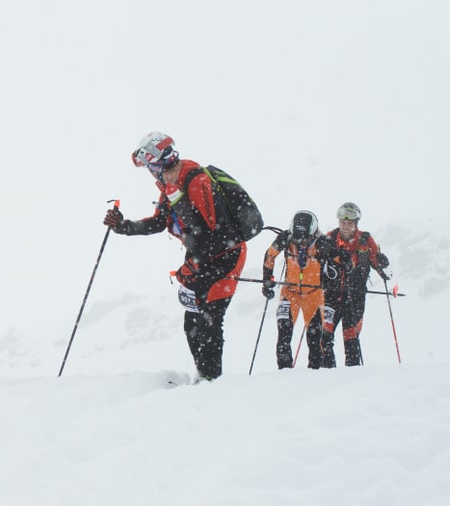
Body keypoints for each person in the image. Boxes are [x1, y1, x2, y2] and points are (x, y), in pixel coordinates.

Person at [103, 132, 248, 382]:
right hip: (200, 257)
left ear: (159, 163)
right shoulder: (170, 186)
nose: (150, 173)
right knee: (192, 322)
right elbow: (159, 222)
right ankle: (204, 376)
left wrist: (191, 267)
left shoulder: (195, 181)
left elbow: (216, 234)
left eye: (150, 167)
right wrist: (123, 226)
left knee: (210, 320)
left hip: (226, 255)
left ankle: (213, 381)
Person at [261, 210, 344, 369]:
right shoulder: (285, 238)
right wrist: (267, 280)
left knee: (315, 341)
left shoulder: (322, 243)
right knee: (283, 337)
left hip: (314, 296)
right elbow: (269, 255)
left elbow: (345, 262)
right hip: (289, 293)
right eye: (297, 238)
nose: (301, 242)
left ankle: (315, 374)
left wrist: (332, 267)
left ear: (312, 234)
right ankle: (284, 373)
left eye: (305, 239)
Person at [322, 202, 390, 366]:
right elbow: (318, 261)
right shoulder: (330, 237)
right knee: (324, 337)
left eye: (349, 223)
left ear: (356, 224)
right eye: (342, 223)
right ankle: (327, 373)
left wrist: (383, 264)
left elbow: (384, 271)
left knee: (351, 338)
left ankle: (351, 376)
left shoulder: (365, 240)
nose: (345, 227)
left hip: (355, 297)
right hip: (331, 297)